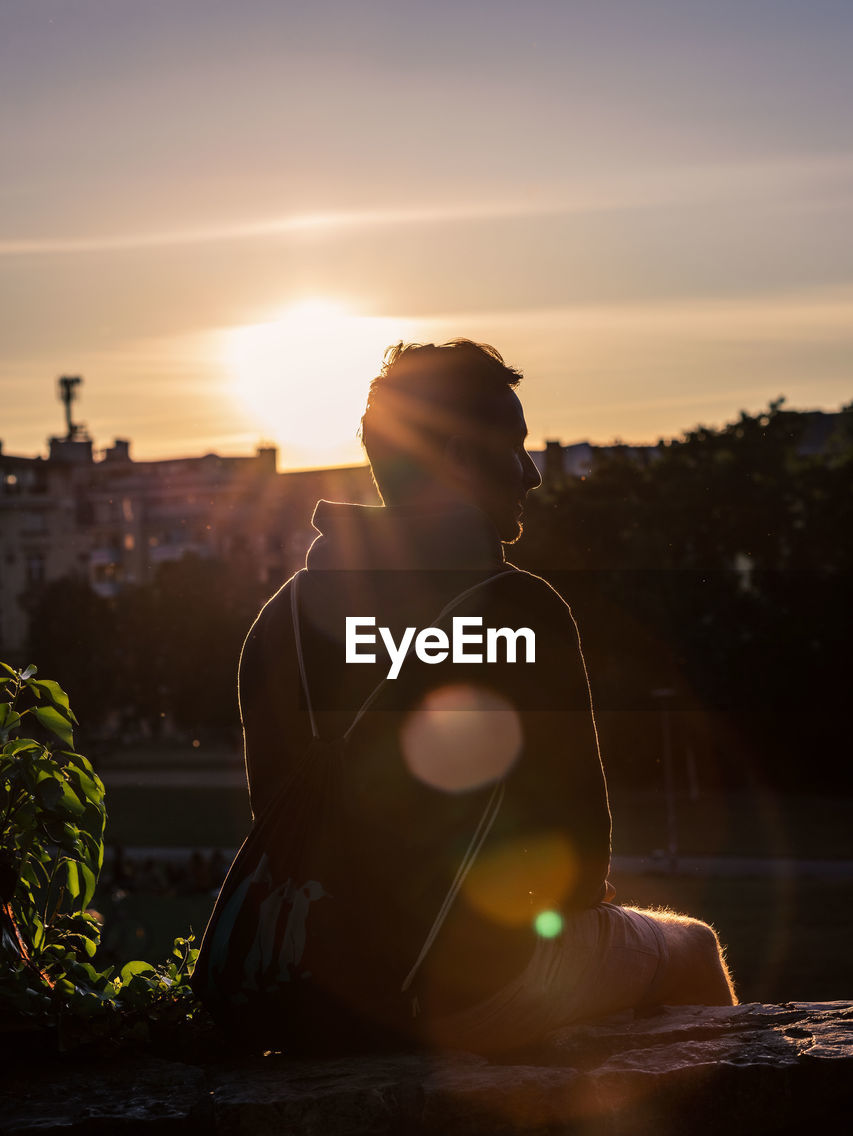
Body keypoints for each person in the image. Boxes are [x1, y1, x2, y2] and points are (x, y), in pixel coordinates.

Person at [234, 340, 736, 1053]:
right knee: (690, 946)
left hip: (316, 995)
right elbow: (580, 864)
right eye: (514, 448)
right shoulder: (516, 609)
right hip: (465, 995)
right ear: (457, 458)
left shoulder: (279, 620)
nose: (530, 475)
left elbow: (285, 829)